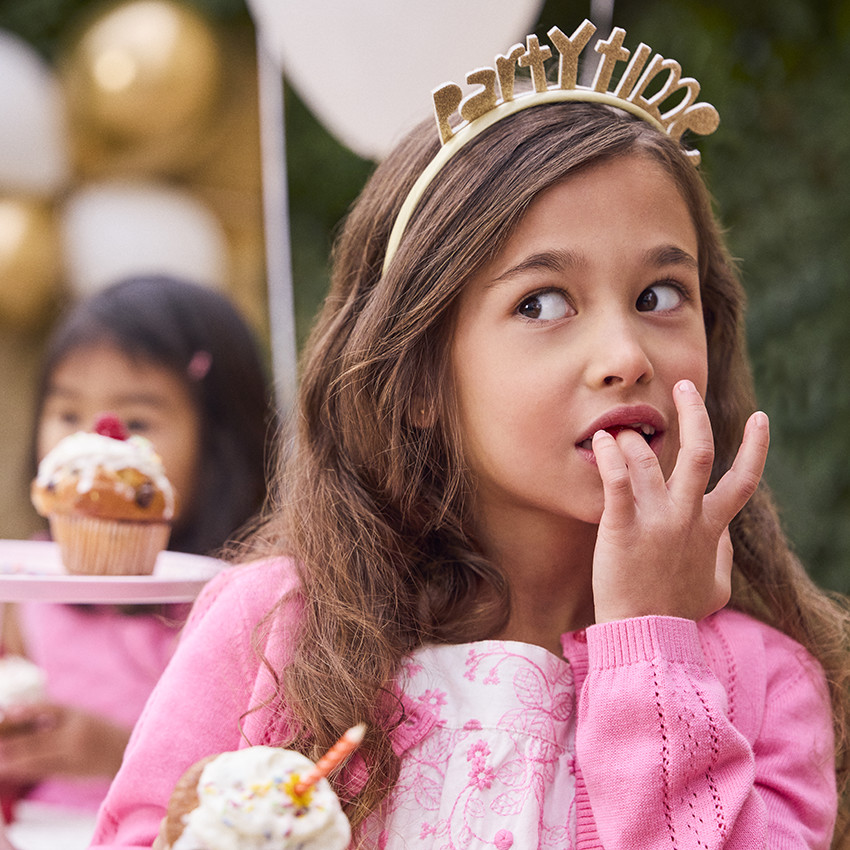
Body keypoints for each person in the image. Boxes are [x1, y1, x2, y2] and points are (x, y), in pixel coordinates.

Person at [91, 20, 849, 850]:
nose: (625, 357)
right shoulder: (278, 631)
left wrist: (654, 649)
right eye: (543, 303)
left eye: (661, 295)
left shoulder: (764, 684)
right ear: (418, 376)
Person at [0, 276, 275, 828]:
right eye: (68, 415)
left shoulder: (247, 609)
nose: (94, 445)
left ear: (222, 442)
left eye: (138, 422)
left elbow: (252, 779)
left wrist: (116, 753)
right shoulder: (24, 589)